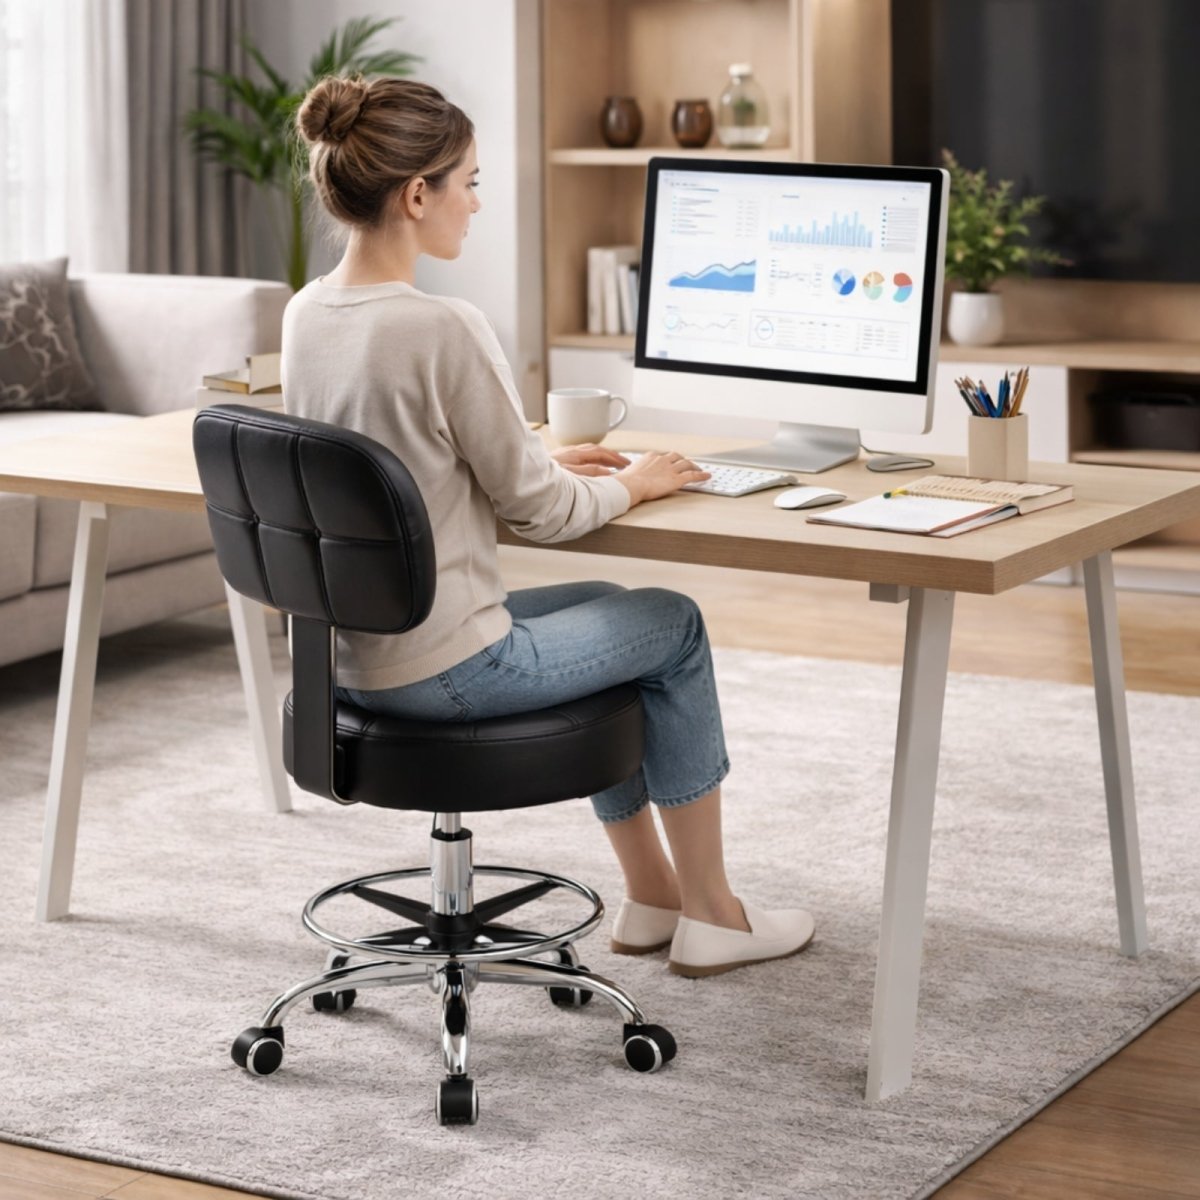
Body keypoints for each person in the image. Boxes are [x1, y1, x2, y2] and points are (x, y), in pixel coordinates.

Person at [284, 75, 814, 977]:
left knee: (616, 604)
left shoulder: (307, 313)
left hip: (351, 662)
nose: (478, 204)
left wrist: (534, 461)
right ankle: (715, 914)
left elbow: (397, 472)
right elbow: (550, 516)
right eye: (471, 183)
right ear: (419, 196)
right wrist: (638, 484)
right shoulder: (441, 325)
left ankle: (654, 901)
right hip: (448, 671)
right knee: (673, 626)